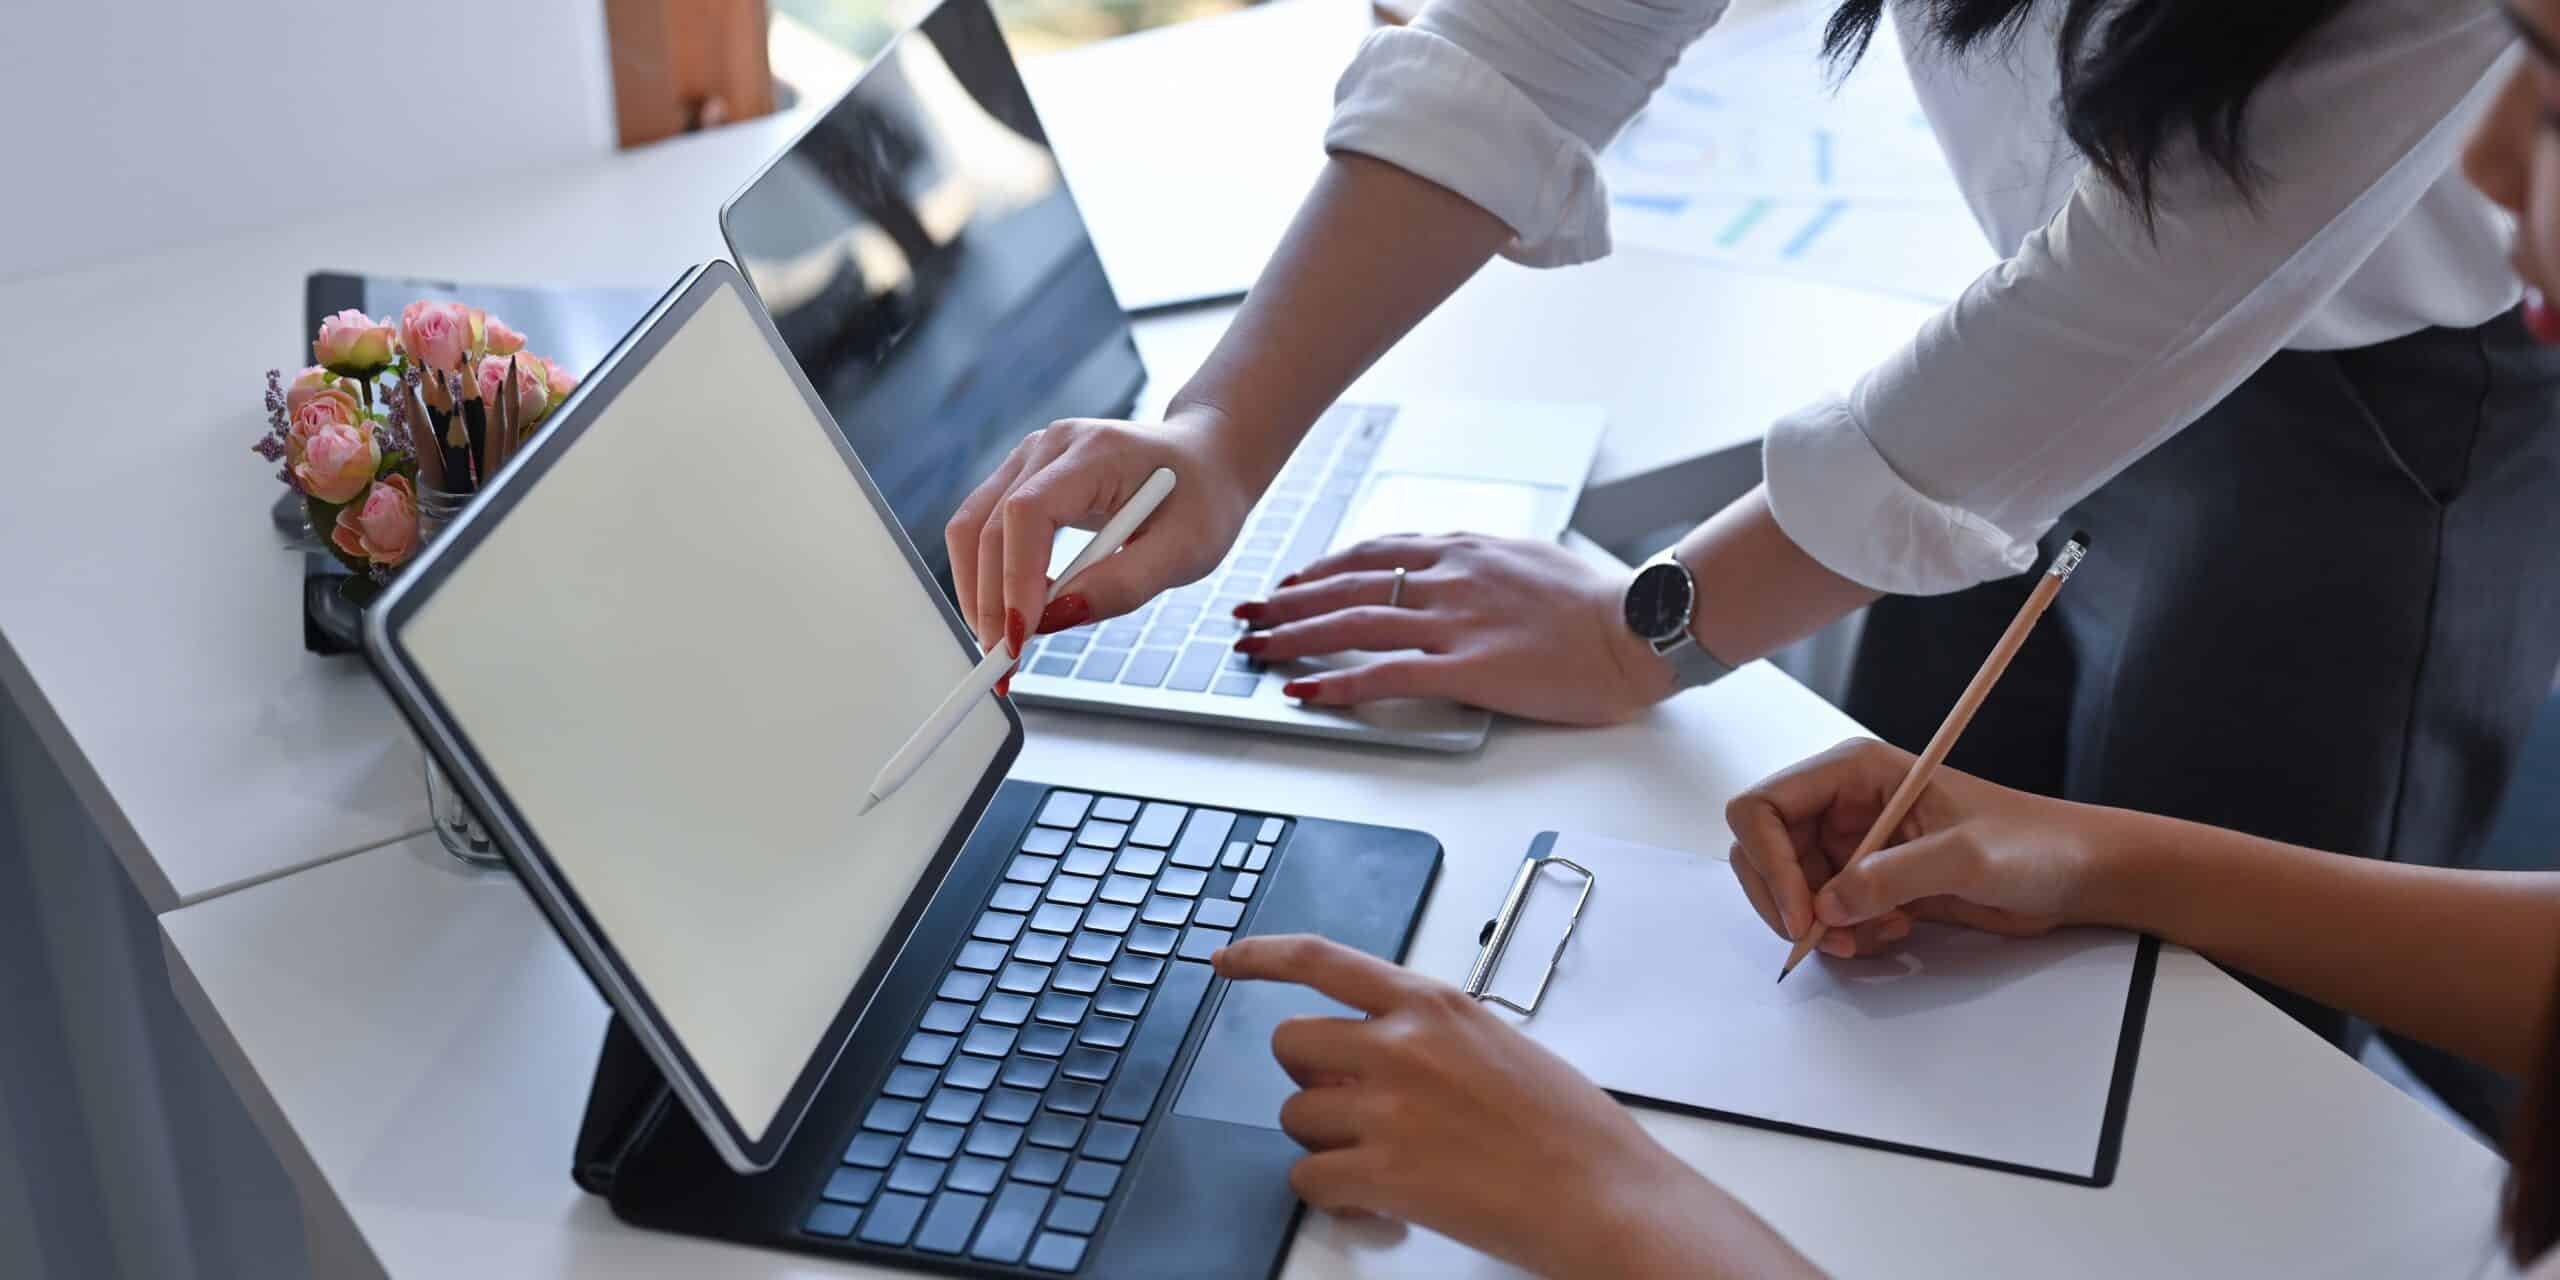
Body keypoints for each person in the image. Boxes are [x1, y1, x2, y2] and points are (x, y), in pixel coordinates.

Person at [1147, 4, 2560, 1271]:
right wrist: (2097, 855)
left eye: (2548, 78)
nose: (2492, 154)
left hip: (2346, 411)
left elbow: (2146, 283)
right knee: (1916, 956)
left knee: (2205, 1133)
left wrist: (1624, 1211)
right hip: (2037, 317)